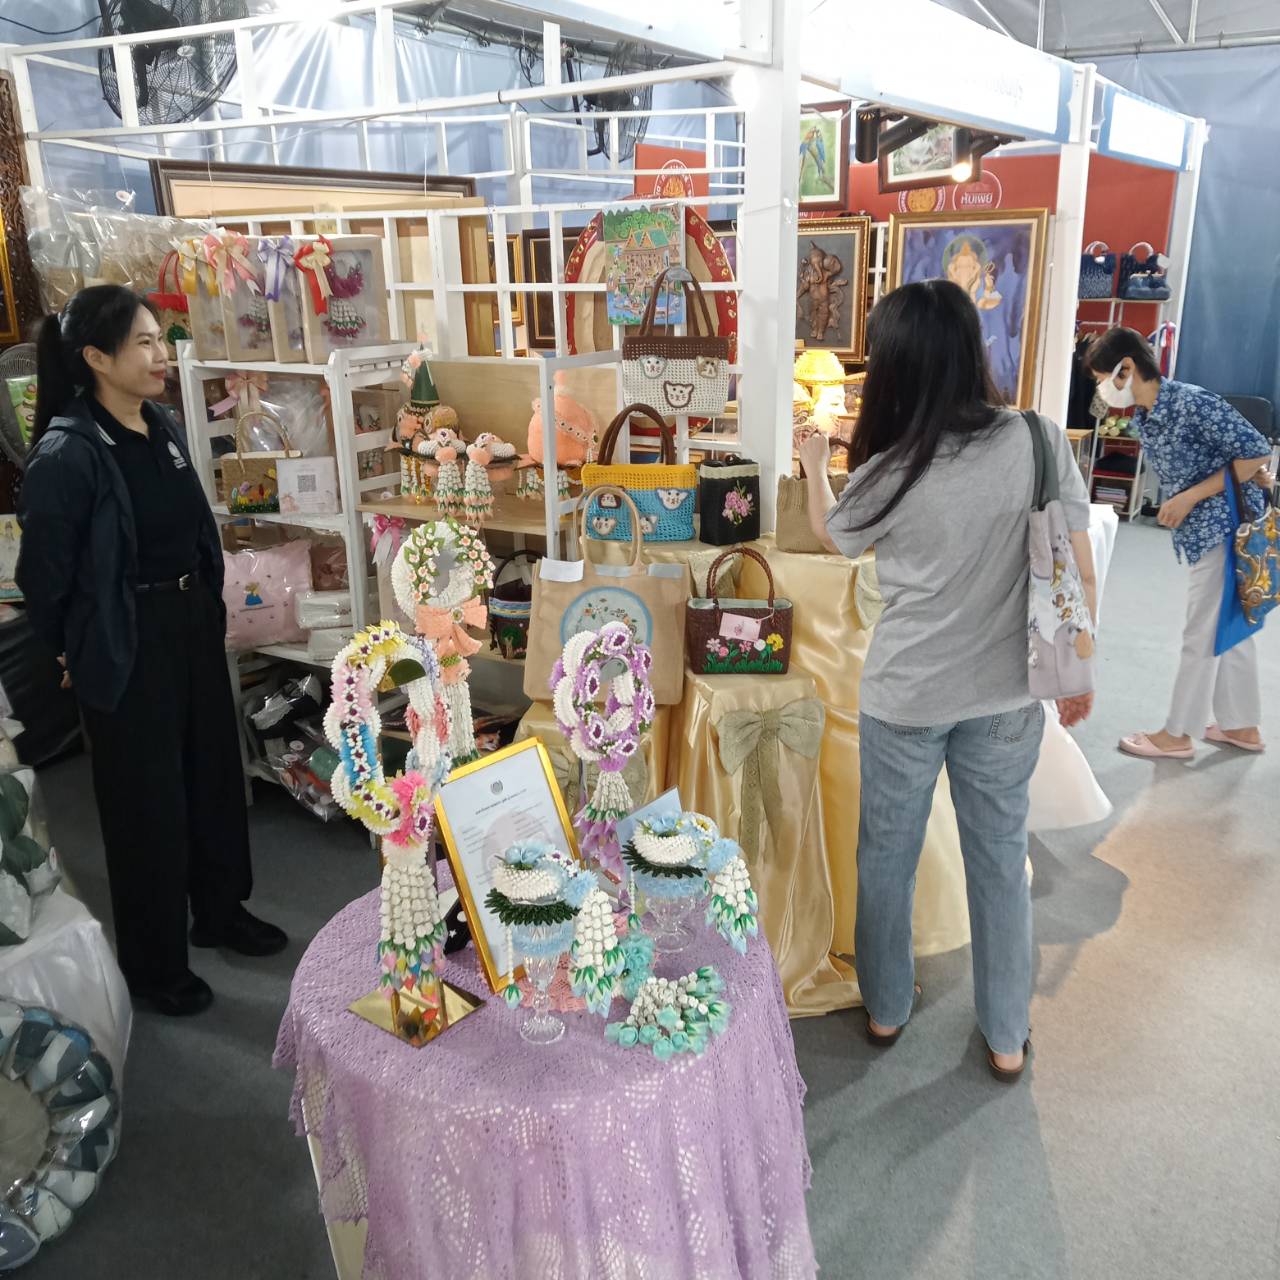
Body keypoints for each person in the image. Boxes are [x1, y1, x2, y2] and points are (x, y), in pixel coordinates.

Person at [799, 279, 1096, 1082]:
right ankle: (1006, 1034)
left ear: (893, 364)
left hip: (906, 695)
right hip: (1006, 694)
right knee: (999, 862)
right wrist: (1080, 661)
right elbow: (1077, 558)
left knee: (885, 855)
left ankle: (887, 1007)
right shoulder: (1036, 438)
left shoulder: (892, 466)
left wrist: (813, 465)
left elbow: (832, 537)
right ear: (972, 348)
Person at [17, 285, 286, 1017]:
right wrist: (71, 649)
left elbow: (192, 525)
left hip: (187, 623)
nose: (160, 354)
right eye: (142, 342)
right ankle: (155, 964)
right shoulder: (68, 453)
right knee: (147, 805)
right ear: (96, 358)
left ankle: (221, 911)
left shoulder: (159, 424)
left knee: (211, 776)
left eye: (159, 339)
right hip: (124, 638)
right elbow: (42, 577)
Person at [1083, 327, 1273, 760]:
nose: (1101, 389)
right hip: (1207, 530)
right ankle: (1242, 725)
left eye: (1103, 378)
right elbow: (1234, 456)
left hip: (1223, 527)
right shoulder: (1148, 415)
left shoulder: (1190, 402)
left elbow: (1257, 452)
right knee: (1230, 624)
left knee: (1201, 631)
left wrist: (1189, 497)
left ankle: (1178, 734)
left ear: (1127, 368)